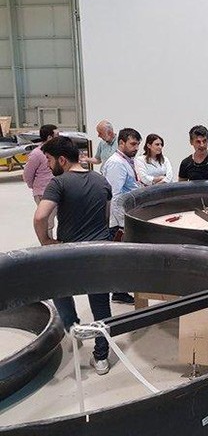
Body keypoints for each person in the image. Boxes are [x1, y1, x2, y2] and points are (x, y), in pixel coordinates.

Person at [33, 136, 113, 375]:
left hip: (69, 253)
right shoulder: (101, 180)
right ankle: (101, 357)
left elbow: (40, 216)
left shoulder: (58, 183)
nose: (48, 165)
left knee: (60, 291)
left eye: (49, 160)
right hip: (99, 251)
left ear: (62, 160)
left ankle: (73, 329)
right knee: (101, 304)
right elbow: (106, 216)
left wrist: (46, 241)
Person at [102, 128, 142, 305]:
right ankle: (119, 292)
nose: (136, 148)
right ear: (121, 143)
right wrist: (122, 224)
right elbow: (115, 196)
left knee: (123, 256)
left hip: (125, 217)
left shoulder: (126, 161)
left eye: (138, 145)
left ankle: (120, 290)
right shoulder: (116, 164)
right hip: (118, 221)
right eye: (133, 144)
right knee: (119, 258)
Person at [23, 124, 59, 238]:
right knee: (48, 223)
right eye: (57, 135)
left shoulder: (58, 151)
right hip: (44, 192)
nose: (59, 137)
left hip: (59, 189)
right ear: (49, 137)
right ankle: (48, 245)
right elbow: (27, 174)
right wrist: (35, 187)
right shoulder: (37, 153)